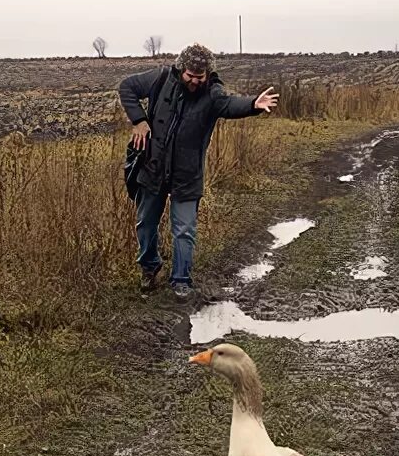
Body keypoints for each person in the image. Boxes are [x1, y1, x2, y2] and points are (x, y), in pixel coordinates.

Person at [118, 43, 279, 299]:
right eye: (190, 75)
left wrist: (253, 105)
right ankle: (150, 267)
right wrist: (139, 120)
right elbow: (127, 87)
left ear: (207, 74)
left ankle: (181, 280)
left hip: (187, 174)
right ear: (181, 69)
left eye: (200, 77)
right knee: (145, 224)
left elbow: (229, 104)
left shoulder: (212, 93)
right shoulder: (161, 78)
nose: (194, 81)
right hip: (153, 167)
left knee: (184, 230)